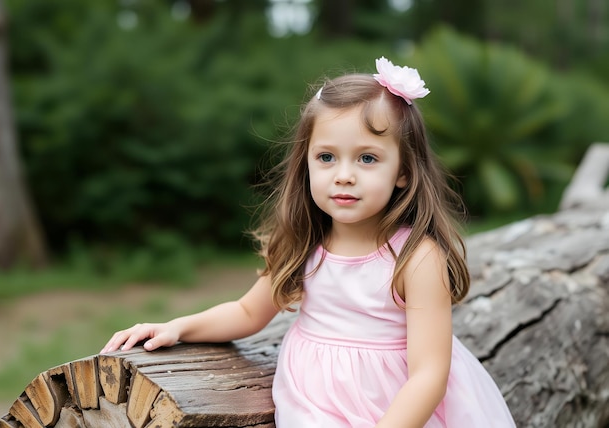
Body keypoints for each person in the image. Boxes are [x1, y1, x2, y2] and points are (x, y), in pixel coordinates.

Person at [101, 57, 516, 427]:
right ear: (307, 163)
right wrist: (178, 327)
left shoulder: (415, 257)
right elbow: (248, 311)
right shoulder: (305, 243)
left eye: (367, 158)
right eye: (327, 157)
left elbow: (429, 374)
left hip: (398, 406)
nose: (344, 175)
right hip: (316, 401)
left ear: (404, 171)